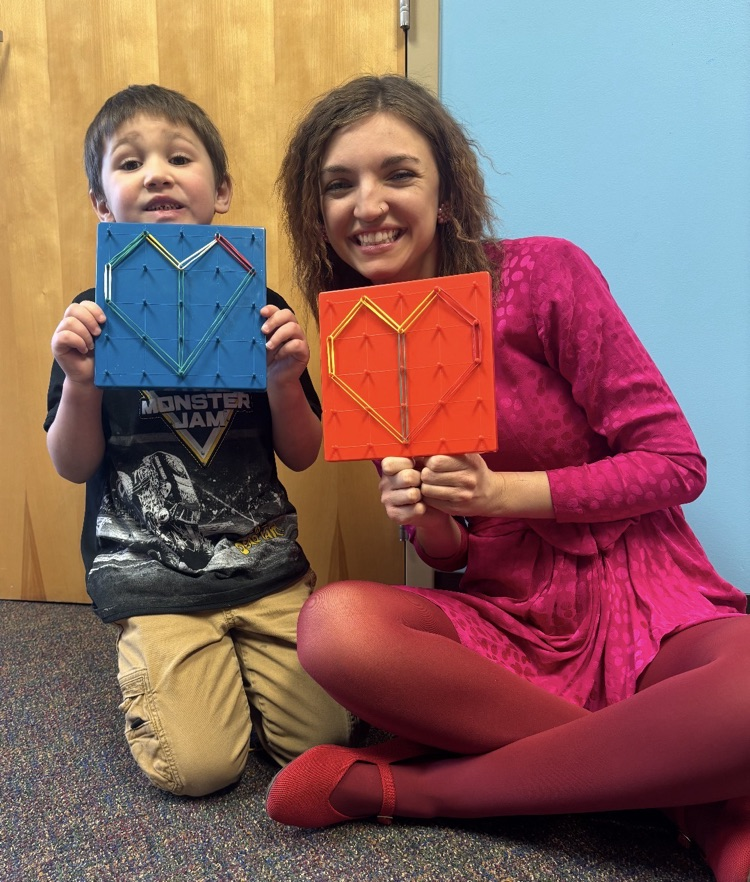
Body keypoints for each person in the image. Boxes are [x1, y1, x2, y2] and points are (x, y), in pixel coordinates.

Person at [266, 74, 750, 882]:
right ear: (318, 216)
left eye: (398, 174)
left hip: (648, 597)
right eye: (338, 185)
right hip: (514, 619)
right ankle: (681, 788)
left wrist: (506, 493)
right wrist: (428, 520)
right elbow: (452, 558)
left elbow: (676, 463)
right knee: (335, 627)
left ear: (447, 194)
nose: (367, 204)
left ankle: (423, 792)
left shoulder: (545, 274)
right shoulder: (365, 341)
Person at [44, 84, 355, 797]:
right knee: (201, 768)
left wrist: (284, 379)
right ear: (101, 205)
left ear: (221, 191)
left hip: (265, 565)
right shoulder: (89, 319)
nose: (156, 174)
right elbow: (73, 464)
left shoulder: (261, 306)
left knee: (324, 742)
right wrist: (82, 382)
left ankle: (232, 663)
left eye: (179, 158)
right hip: (153, 578)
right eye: (130, 163)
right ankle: (165, 656)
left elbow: (303, 452)